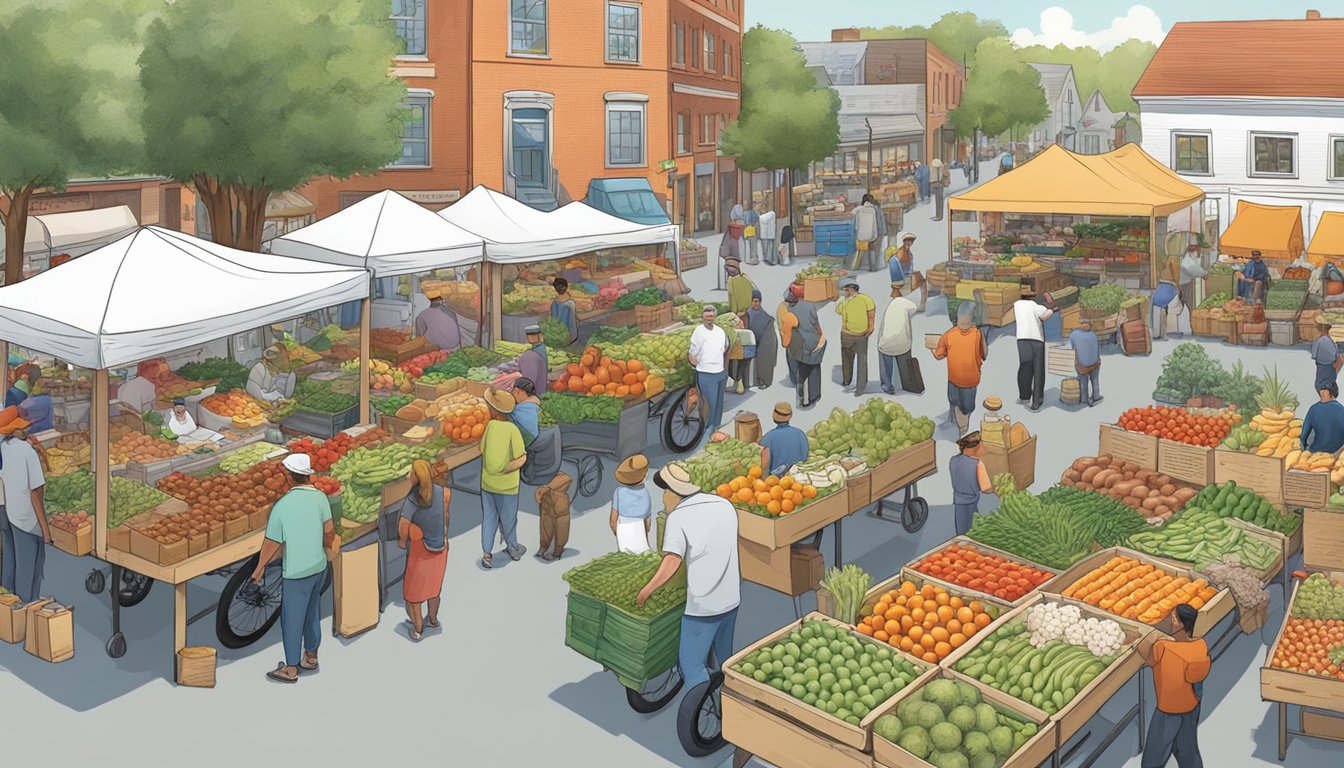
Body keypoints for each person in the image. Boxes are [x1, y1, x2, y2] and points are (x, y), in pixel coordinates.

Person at [637, 463, 740, 697]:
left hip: (702, 607)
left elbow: (671, 561)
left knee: (692, 667)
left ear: (674, 492)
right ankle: (731, 706)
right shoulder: (725, 505)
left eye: (665, 492)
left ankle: (700, 714)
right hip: (731, 597)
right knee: (726, 661)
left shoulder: (679, 517)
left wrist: (647, 590)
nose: (663, 498)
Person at [251, 453, 336, 683]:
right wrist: (326, 550)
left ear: (289, 476)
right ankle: (311, 656)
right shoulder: (320, 498)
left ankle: (290, 668)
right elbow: (329, 533)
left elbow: (271, 544)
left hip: (297, 573)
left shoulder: (282, 506)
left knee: (292, 619)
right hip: (319, 568)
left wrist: (259, 570)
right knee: (312, 613)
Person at [1139, 604, 1209, 768]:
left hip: (1168, 711)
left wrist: (1152, 631)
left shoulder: (1164, 648)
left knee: (1152, 759)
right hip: (1191, 707)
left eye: (1174, 618)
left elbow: (1143, 649)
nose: (1171, 621)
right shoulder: (1200, 646)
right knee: (1188, 753)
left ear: (1181, 624)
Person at [398, 459, 449, 642]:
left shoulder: (413, 498)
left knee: (414, 594)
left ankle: (418, 629)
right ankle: (433, 621)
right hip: (440, 548)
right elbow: (445, 517)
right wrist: (444, 536)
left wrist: (403, 542)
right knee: (434, 589)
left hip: (421, 551)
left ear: (416, 477)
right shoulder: (443, 492)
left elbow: (403, 524)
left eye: (411, 473)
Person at [0, 417, 49, 602]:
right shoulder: (28, 452)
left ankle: (6, 613)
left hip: (6, 511)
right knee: (27, 569)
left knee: (9, 562)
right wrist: (45, 530)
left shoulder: (3, 447)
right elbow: (36, 492)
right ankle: (24, 615)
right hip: (25, 518)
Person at [479, 387, 528, 569]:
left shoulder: (490, 427)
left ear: (494, 410)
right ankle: (513, 548)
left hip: (487, 484)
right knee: (508, 519)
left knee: (489, 518)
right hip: (508, 486)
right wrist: (506, 468)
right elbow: (521, 457)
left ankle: (486, 554)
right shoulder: (512, 430)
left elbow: (482, 449)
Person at [933, 302, 988, 435]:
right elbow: (984, 354)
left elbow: (939, 355)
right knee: (966, 406)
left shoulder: (949, 334)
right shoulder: (977, 334)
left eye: (965, 324)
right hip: (970, 379)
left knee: (956, 403)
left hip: (955, 379)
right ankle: (963, 426)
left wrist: (932, 349)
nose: (964, 326)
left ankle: (962, 426)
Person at [689, 305, 731, 433]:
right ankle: (706, 429)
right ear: (703, 316)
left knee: (718, 404)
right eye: (707, 316)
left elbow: (725, 348)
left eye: (711, 316)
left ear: (715, 316)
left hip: (720, 372)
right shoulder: (699, 331)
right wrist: (692, 358)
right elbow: (693, 350)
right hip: (706, 373)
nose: (709, 318)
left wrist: (724, 368)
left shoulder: (720, 331)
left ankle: (716, 427)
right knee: (709, 403)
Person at [1013, 290, 1054, 412]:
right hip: (1036, 339)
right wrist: (1052, 309)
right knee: (1038, 370)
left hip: (1021, 339)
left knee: (1025, 366)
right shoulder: (1035, 306)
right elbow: (1044, 316)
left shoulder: (1017, 305)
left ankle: (1024, 396)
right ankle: (1037, 400)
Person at [836, 278, 876, 396]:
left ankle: (860, 387)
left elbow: (871, 315)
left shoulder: (865, 299)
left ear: (848, 290)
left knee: (861, 361)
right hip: (846, 335)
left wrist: (870, 328)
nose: (842, 293)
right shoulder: (844, 301)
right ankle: (847, 380)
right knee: (847, 358)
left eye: (843, 290)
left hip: (860, 335)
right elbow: (838, 311)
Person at [950, 432, 995, 536]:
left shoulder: (953, 460)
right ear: (975, 448)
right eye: (982, 446)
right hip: (971, 501)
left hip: (958, 500)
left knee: (961, 530)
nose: (984, 449)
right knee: (973, 528)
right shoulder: (978, 465)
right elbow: (986, 488)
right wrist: (996, 488)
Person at [788, 286, 826, 408]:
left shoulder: (791, 307)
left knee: (803, 370)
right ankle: (815, 395)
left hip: (800, 342)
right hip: (813, 340)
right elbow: (815, 323)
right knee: (815, 368)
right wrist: (820, 334)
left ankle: (803, 398)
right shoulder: (810, 305)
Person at [877, 282, 918, 395]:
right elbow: (914, 309)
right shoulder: (907, 303)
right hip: (903, 343)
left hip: (886, 344)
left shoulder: (890, 305)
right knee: (905, 360)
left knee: (885, 361)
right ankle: (907, 384)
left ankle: (887, 386)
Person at [610, 455, 653, 554]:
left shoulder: (619, 492)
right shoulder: (645, 493)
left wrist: (618, 533)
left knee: (625, 551)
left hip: (622, 527)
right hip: (639, 528)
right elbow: (647, 521)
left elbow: (613, 520)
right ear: (645, 475)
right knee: (642, 551)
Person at [759, 403, 809, 477]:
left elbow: (763, 465)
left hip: (776, 482)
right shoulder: (800, 433)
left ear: (773, 415)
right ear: (790, 416)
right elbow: (805, 457)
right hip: (799, 478)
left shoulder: (768, 437)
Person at [413, 288, 464, 353]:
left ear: (428, 297)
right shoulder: (452, 311)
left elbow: (419, 341)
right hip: (457, 349)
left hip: (437, 352)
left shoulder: (422, 316)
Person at [745, 290, 778, 390]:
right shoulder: (747, 314)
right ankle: (746, 381)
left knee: (764, 359)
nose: (756, 303)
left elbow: (769, 324)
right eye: (754, 301)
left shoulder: (764, 315)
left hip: (764, 340)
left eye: (758, 301)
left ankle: (764, 380)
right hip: (750, 341)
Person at [1301, 383, 1344, 454]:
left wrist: (1305, 450)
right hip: (1336, 456)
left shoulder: (1313, 409)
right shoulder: (1342, 410)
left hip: (1314, 454)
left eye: (1324, 389)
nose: (1321, 392)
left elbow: (1303, 437)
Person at [1069, 320, 1103, 407]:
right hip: (1095, 363)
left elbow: (1071, 347)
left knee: (1083, 382)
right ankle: (1096, 396)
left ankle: (1084, 399)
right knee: (1094, 380)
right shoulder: (1093, 335)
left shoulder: (1074, 334)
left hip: (1082, 365)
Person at [1177, 245, 1208, 336]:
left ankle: (1190, 327)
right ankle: (1191, 328)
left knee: (1185, 306)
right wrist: (1204, 274)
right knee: (1187, 306)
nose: (1197, 254)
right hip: (1184, 284)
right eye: (1197, 252)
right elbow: (1193, 269)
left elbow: (1196, 266)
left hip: (1185, 283)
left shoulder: (1187, 258)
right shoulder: (1186, 262)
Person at [1153, 253, 1181, 341]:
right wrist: (1178, 287)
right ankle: (1169, 332)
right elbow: (1176, 276)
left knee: (1159, 310)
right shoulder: (1174, 259)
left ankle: (1157, 333)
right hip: (1169, 288)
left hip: (1160, 289)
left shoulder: (1164, 261)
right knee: (1173, 308)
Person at [1310, 316, 1343, 391]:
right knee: (1328, 387)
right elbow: (1338, 357)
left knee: (1320, 387)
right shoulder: (1332, 342)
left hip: (1322, 370)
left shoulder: (1318, 342)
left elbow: (1314, 354)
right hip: (1331, 371)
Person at [515, 325, 548, 395]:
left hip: (533, 395)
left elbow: (528, 380)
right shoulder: (542, 348)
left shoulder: (531, 355)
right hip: (541, 390)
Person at [852, 195, 881, 272]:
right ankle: (873, 268)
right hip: (870, 235)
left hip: (860, 236)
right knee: (872, 248)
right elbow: (874, 225)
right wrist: (874, 236)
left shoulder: (858, 210)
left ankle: (855, 267)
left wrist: (856, 234)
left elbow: (855, 225)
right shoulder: (873, 210)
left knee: (858, 250)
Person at [509, 378, 542, 448]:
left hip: (529, 437)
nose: (513, 394)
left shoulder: (525, 407)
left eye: (517, 392)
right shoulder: (533, 402)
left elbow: (509, 414)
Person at [778, 288, 799, 387]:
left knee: (792, 358)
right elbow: (784, 325)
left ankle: (795, 378)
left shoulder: (783, 306)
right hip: (790, 336)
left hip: (791, 337)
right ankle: (795, 379)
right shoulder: (784, 306)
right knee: (793, 358)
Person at [549, 278, 579, 345]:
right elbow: (575, 320)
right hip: (568, 334)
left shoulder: (554, 302)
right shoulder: (570, 303)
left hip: (557, 333)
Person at [930, 157, 946, 221]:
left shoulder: (937, 168)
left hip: (938, 184)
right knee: (939, 201)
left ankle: (939, 216)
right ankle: (938, 215)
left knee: (938, 201)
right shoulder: (941, 167)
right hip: (939, 184)